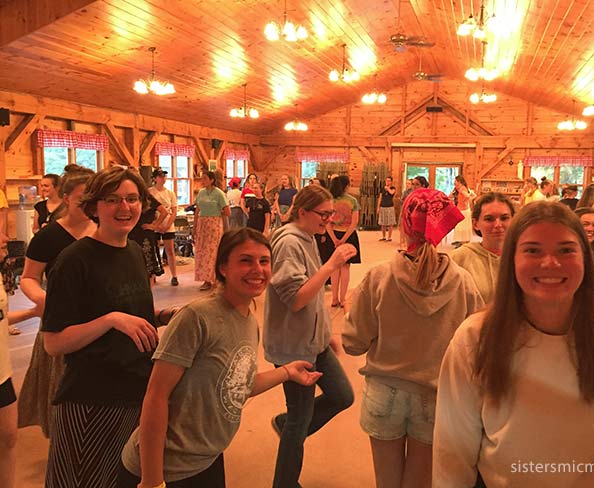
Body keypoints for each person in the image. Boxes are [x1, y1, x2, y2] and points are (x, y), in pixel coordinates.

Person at [432, 201, 594, 487]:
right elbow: (453, 448)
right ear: (511, 259)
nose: (550, 263)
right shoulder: (475, 337)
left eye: (566, 250)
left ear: (585, 258)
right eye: (533, 250)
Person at [118, 228, 322, 488]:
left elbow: (236, 386)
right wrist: (152, 480)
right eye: (245, 260)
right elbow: (156, 396)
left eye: (264, 261)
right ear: (223, 267)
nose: (257, 269)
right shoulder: (197, 317)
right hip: (168, 468)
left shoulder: (249, 321)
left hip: (208, 458)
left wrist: (287, 372)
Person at [41, 166, 176, 488]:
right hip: (91, 398)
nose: (124, 207)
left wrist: (163, 315)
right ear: (94, 206)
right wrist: (110, 320)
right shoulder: (74, 260)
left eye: (132, 199)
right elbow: (54, 343)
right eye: (112, 199)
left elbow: (129, 310)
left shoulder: (134, 251)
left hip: (137, 389)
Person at [343, 188, 484, 488]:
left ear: (403, 225)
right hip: (435, 396)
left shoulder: (378, 277)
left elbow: (352, 344)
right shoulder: (463, 282)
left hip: (384, 393)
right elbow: (475, 346)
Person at [264, 185, 357, 488]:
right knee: (299, 419)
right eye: (323, 214)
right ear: (302, 211)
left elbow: (314, 295)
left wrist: (325, 332)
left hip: (313, 340)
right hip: (294, 348)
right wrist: (332, 265)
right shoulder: (289, 242)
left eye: (331, 214)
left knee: (342, 396)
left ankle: (288, 426)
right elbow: (296, 299)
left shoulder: (307, 236)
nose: (328, 220)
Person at [17, 165, 96, 436]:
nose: (89, 207)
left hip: (99, 317)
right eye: (82, 200)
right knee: (63, 386)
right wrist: (44, 300)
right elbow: (28, 278)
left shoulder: (103, 229)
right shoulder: (49, 236)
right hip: (61, 320)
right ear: (66, 198)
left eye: (94, 200)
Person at [0, 231, 38, 488]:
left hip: (3, 373)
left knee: (8, 438)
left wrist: (33, 313)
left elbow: (2, 319)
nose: (5, 238)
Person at [451, 192, 515, 303]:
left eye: (504, 218)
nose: (498, 224)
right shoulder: (459, 258)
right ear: (475, 224)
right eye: (489, 219)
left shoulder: (523, 256)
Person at [327, 175, 361, 307]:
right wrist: (343, 239)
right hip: (349, 235)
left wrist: (334, 239)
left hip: (333, 235)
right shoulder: (352, 201)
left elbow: (327, 222)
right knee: (345, 267)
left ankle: (334, 298)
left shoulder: (330, 201)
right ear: (346, 186)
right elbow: (354, 223)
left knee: (334, 267)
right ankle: (343, 299)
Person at [194, 170, 230, 291]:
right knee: (202, 252)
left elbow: (228, 212)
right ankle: (206, 279)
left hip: (214, 224)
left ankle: (215, 279)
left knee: (213, 252)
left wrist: (218, 212)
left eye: (205, 178)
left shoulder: (219, 193)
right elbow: (197, 210)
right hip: (202, 224)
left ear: (212, 180)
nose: (202, 181)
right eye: (202, 178)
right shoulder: (201, 192)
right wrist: (194, 227)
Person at [128, 193, 168, 285]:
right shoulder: (130, 198)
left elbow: (164, 212)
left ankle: (148, 289)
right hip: (132, 233)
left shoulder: (148, 197)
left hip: (145, 233)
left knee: (148, 264)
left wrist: (154, 225)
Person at [149, 168, 179, 286]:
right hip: (154, 223)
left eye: (164, 176)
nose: (163, 179)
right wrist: (154, 225)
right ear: (155, 178)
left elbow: (174, 211)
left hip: (167, 224)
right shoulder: (150, 192)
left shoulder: (170, 193)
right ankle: (154, 274)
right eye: (160, 176)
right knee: (154, 250)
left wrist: (167, 225)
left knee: (170, 250)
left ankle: (174, 275)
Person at [451, 175, 474, 245]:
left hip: (464, 211)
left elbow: (471, 196)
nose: (454, 182)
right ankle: (460, 240)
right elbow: (450, 195)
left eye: (455, 181)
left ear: (459, 182)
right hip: (460, 210)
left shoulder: (462, 189)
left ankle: (463, 242)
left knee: (462, 227)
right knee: (459, 226)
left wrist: (467, 199)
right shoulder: (458, 189)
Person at [378, 176, 397, 241]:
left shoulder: (393, 188)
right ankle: (383, 236)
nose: (387, 182)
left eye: (389, 181)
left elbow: (392, 193)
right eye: (386, 181)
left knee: (390, 223)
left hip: (390, 207)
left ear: (391, 182)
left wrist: (388, 188)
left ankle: (389, 237)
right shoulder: (382, 189)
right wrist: (378, 207)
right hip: (383, 206)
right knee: (383, 223)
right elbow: (380, 198)